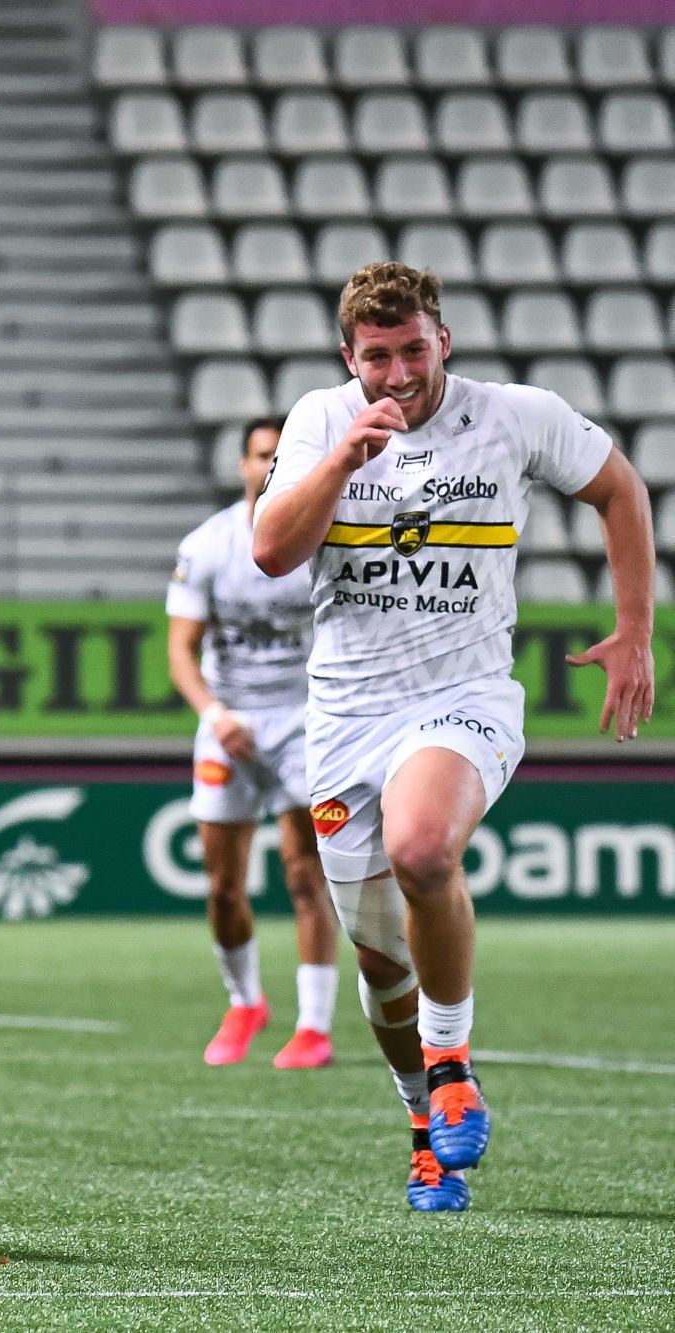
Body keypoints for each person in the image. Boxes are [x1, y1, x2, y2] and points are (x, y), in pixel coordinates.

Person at [252, 262, 656, 1211]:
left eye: (412, 350)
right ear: (348, 358)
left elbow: (620, 489)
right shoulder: (321, 420)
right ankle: (419, 1113)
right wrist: (341, 458)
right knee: (380, 962)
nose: (395, 374)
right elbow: (272, 551)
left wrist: (633, 628)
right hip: (347, 717)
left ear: (445, 339)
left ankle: (450, 1064)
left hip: (462, 694)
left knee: (424, 848)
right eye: (375, 358)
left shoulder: (513, 413)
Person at [167, 417, 338, 1070]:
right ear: (242, 464)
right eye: (261, 455)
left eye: (281, 457)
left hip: (305, 717)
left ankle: (313, 1025)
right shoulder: (207, 545)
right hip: (229, 721)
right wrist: (214, 713)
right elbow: (180, 650)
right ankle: (244, 1001)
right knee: (222, 886)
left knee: (305, 870)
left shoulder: (323, 537)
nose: (269, 467)